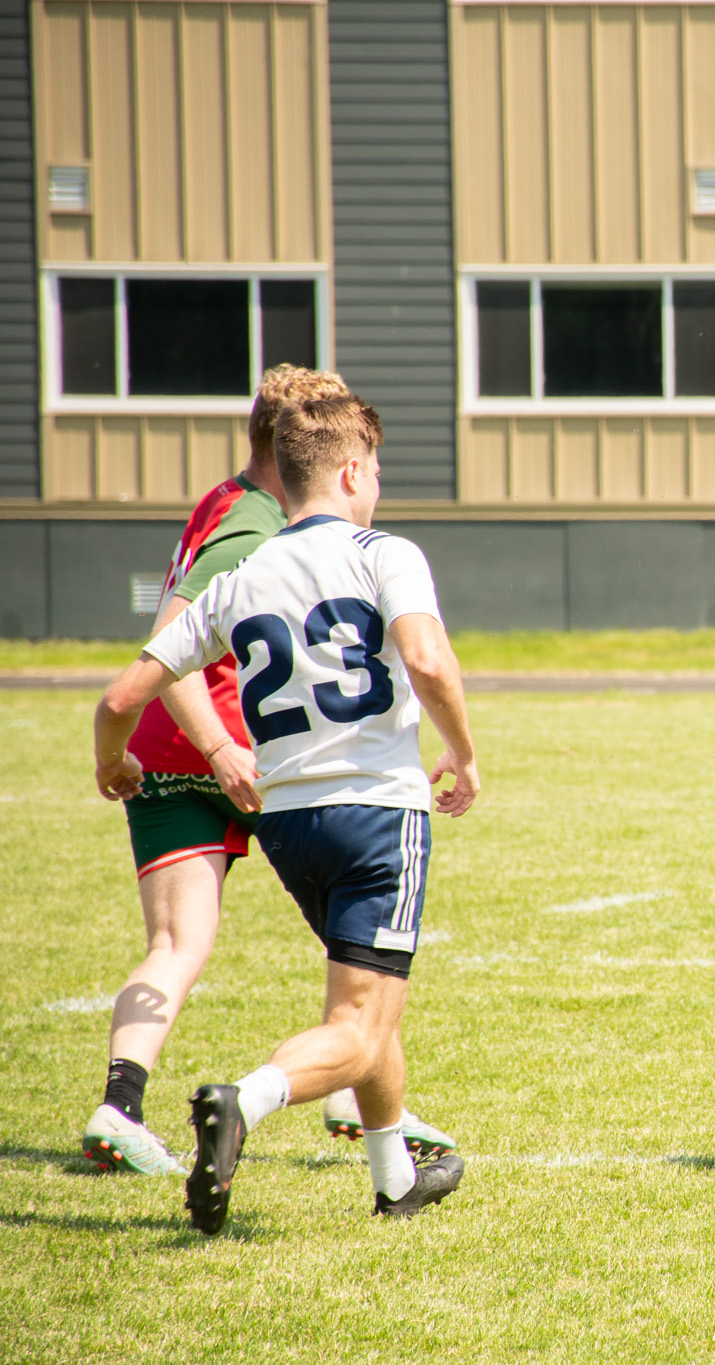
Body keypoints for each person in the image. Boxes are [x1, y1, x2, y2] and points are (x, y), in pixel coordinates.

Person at [92, 392, 481, 1231]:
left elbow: (121, 696)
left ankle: (394, 1180)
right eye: (377, 469)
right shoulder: (387, 552)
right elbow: (427, 659)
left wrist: (111, 760)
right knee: (360, 1024)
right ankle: (245, 1098)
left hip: (288, 822)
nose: (380, 483)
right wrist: (464, 750)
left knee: (367, 1003)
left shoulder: (241, 577)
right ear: (352, 472)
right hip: (376, 813)